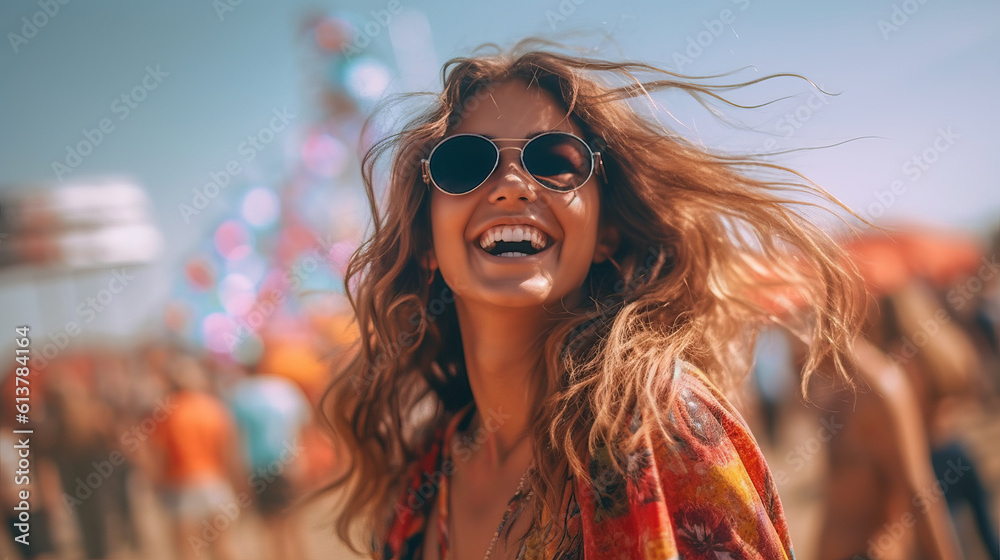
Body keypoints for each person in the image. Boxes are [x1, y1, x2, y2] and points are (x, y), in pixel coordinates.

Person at [316, 39, 865, 559]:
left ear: (606, 233)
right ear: (426, 240)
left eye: (555, 160)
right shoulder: (421, 478)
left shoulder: (664, 430)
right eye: (464, 163)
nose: (511, 185)